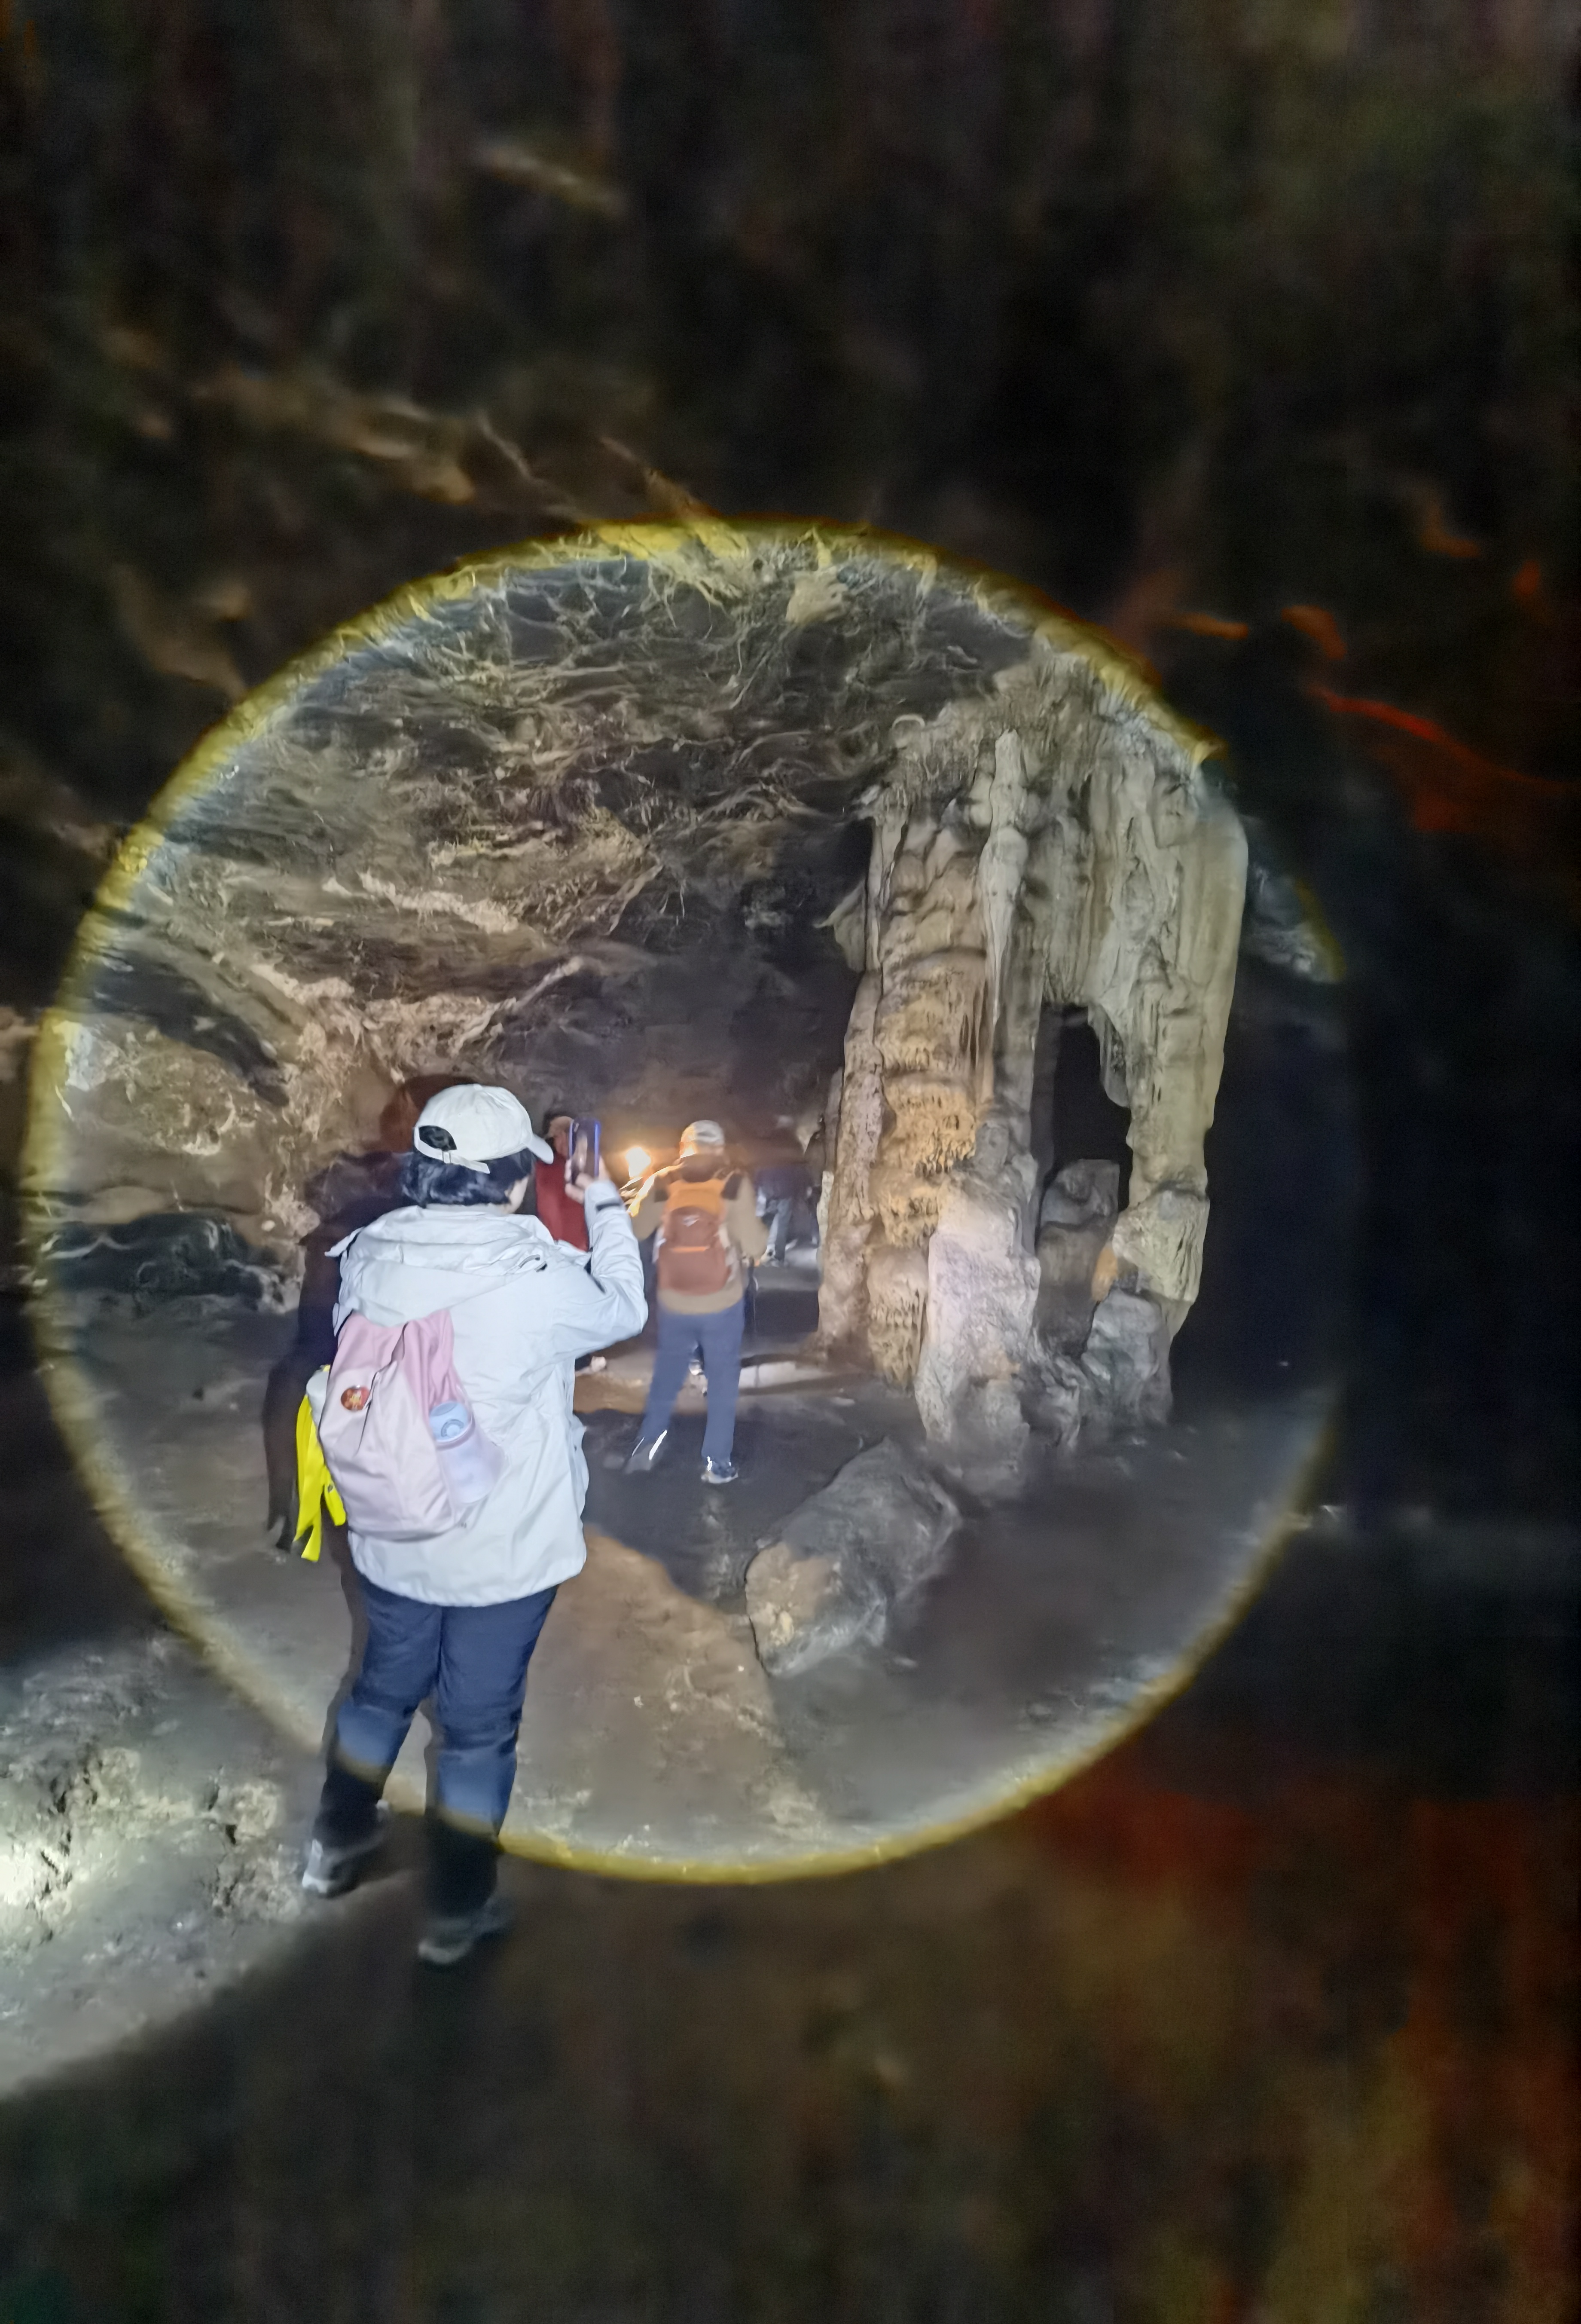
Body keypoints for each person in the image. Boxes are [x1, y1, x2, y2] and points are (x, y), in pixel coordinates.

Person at [299, 1082, 645, 1965]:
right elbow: (624, 1308)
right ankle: (456, 1908)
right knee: (478, 1727)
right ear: (512, 1179)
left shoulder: (368, 1252)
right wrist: (601, 1199)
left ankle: (337, 1840)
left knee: (381, 1686)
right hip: (500, 1549)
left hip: (391, 1528)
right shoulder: (532, 1279)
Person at [624, 1120, 767, 1484]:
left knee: (668, 1373)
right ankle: (717, 1463)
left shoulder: (663, 1181)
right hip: (722, 1301)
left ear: (683, 1147)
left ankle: (648, 1445)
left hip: (675, 1299)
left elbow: (636, 1229)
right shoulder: (734, 1183)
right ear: (719, 1148)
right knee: (722, 1378)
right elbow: (755, 1244)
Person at [532, 1111, 589, 1251]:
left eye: (568, 1132)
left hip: (586, 1254)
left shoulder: (593, 1169)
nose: (564, 1139)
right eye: (557, 1135)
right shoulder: (541, 1169)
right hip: (553, 1253)